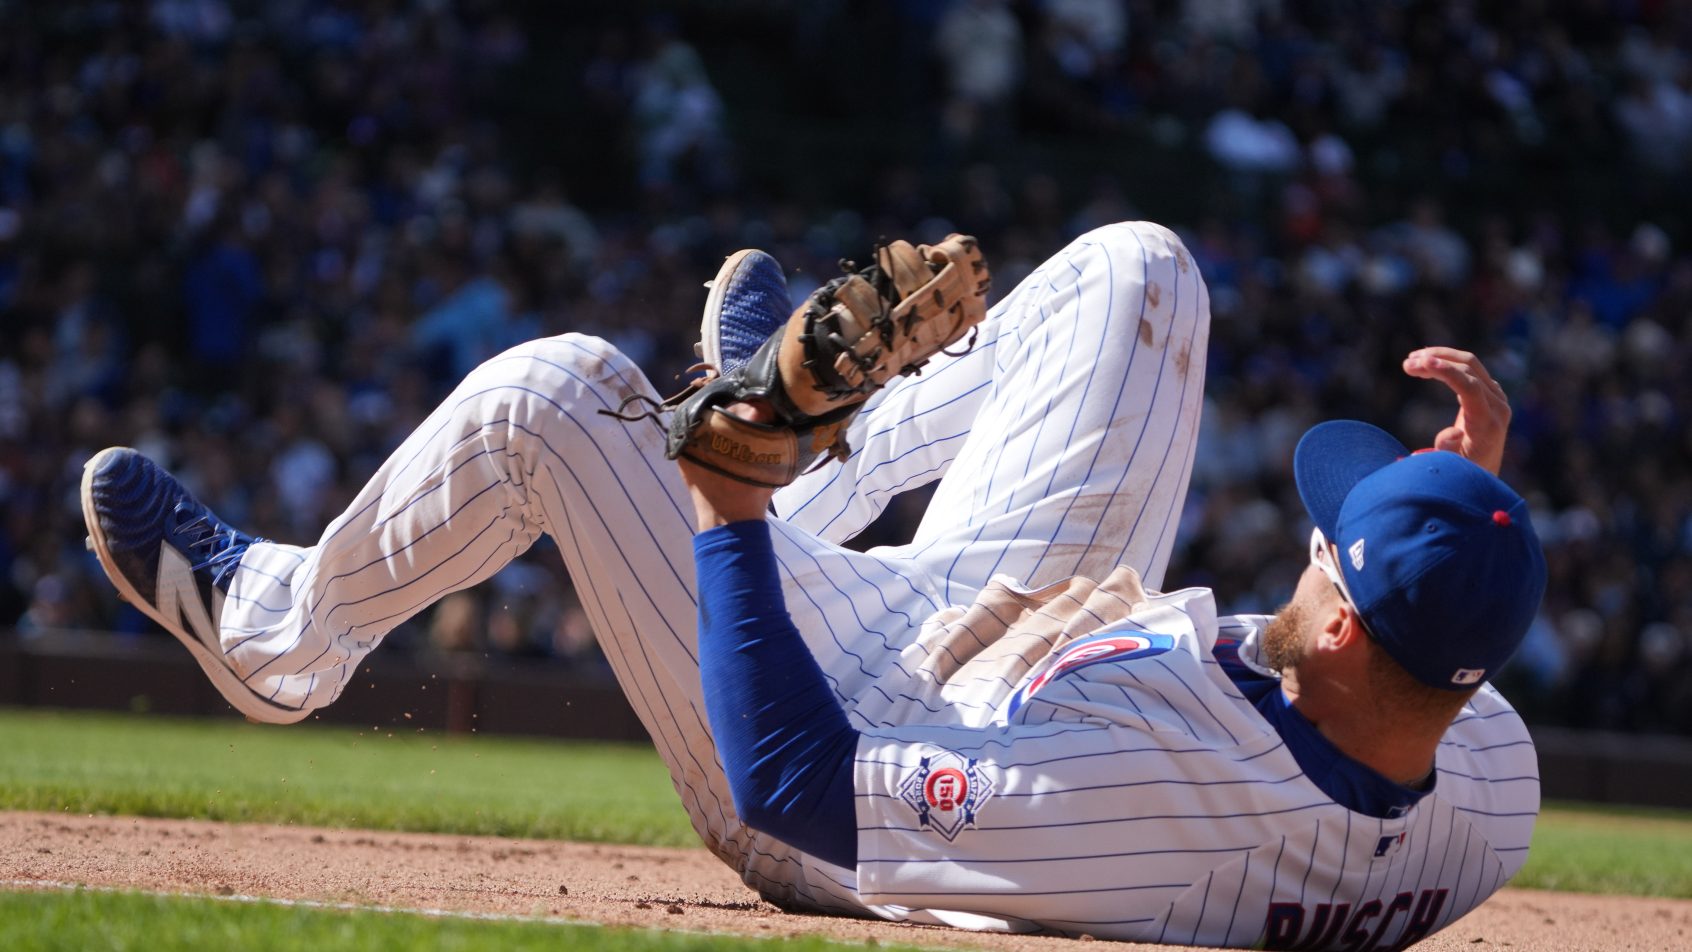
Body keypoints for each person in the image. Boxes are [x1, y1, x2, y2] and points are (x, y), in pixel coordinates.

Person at [81, 221, 1544, 948]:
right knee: (1140, 274)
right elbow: (1438, 650)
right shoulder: (1483, 777)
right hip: (1051, 646)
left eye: (1330, 539)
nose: (1311, 529)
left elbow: (799, 784)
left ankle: (280, 637)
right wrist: (1467, 518)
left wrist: (726, 516)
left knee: (558, 394)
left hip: (851, 740)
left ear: (1342, 621)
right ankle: (800, 450)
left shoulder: (1143, 816)